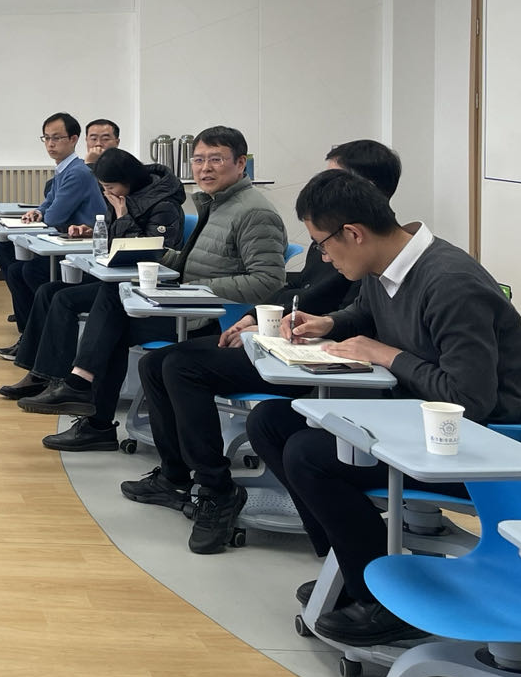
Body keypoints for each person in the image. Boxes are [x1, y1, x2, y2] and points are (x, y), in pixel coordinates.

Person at [247, 169, 521, 646]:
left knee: (310, 455)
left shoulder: (451, 283)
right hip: (412, 419)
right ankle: (354, 565)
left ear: (353, 233)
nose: (323, 257)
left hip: (477, 449)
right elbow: (368, 313)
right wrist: (330, 323)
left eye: (323, 245)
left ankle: (383, 601)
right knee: (272, 421)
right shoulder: (387, 265)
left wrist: (385, 355)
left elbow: (470, 400)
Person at [123, 141, 401, 554]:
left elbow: (336, 305)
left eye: (332, 178)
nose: (320, 186)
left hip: (326, 361)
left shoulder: (362, 245)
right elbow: (306, 289)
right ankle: (176, 475)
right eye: (198, 159)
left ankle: (216, 490)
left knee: (182, 366)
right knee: (158, 364)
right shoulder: (331, 234)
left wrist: (292, 322)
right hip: (296, 341)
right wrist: (260, 317)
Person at [19, 126, 286, 452]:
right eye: (198, 160)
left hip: (214, 319)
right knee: (111, 310)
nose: (204, 168)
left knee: (111, 308)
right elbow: (190, 261)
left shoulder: (253, 211)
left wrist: (194, 287)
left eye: (215, 159)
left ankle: (83, 394)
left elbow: (268, 281)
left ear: (241, 163)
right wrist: (152, 253)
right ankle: (91, 411)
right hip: (187, 304)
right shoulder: (216, 203)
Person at [0, 147, 187, 400]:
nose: (107, 193)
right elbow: (113, 240)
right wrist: (92, 230)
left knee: (63, 298)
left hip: (142, 286)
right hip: (118, 277)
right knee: (48, 291)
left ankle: (61, 381)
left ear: (128, 180)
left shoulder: (164, 205)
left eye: (110, 187)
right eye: (103, 187)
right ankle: (40, 374)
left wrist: (122, 216)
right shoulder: (122, 196)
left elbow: (153, 253)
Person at [0, 114, 105, 349]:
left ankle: (37, 335)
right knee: (12, 262)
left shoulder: (78, 172)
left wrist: (45, 213)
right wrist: (38, 211)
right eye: (46, 138)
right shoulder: (65, 168)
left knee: (29, 270)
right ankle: (30, 334)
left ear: (73, 139)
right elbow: (49, 203)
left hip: (85, 248)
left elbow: (55, 217)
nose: (50, 144)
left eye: (57, 138)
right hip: (67, 241)